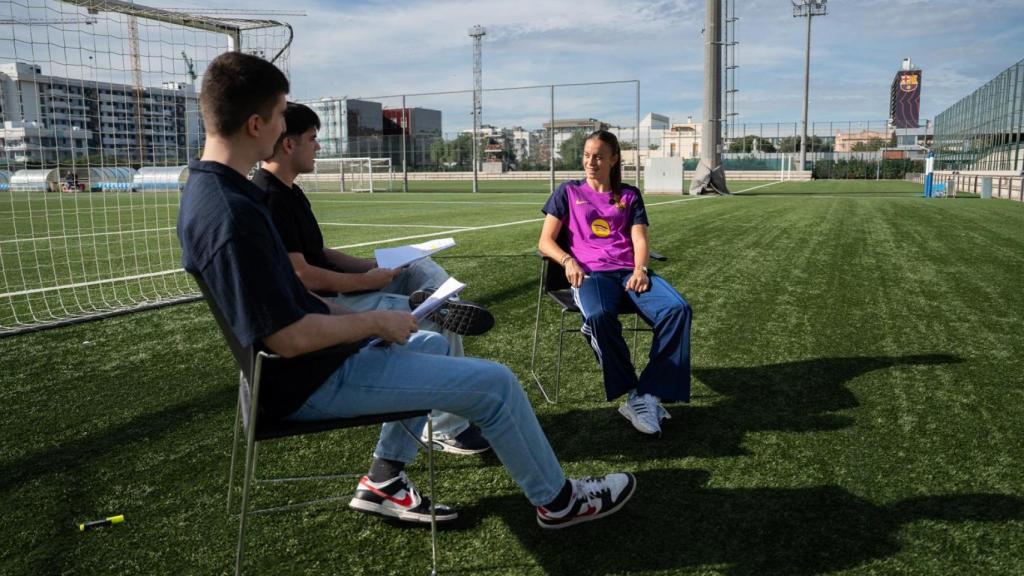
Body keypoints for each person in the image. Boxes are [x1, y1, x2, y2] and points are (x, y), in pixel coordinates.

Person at [177, 51, 635, 530]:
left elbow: (292, 300)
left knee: (431, 341)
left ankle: (384, 479)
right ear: (256, 124)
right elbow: (288, 338)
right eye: (278, 115)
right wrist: (374, 321)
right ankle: (560, 502)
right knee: (496, 384)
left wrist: (362, 319)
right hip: (305, 380)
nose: (281, 127)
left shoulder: (218, 194)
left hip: (304, 366)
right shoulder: (232, 214)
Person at [253, 101, 492, 456]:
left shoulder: (290, 191)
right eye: (313, 138)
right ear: (289, 144)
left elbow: (319, 253)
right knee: (435, 320)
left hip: (343, 287)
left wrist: (368, 266)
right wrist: (366, 281)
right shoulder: (269, 196)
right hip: (328, 304)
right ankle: (444, 428)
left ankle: (448, 301)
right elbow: (302, 275)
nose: (318, 146)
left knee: (416, 267)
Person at [537, 129, 693, 436]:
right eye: (586, 156)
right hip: (592, 275)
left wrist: (640, 269)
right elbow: (545, 241)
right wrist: (568, 260)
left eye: (598, 157)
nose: (590, 162)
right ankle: (633, 393)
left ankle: (647, 394)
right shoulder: (567, 191)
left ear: (614, 160)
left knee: (678, 310)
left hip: (628, 272)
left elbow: (640, 239)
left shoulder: (630, 195)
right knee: (599, 316)